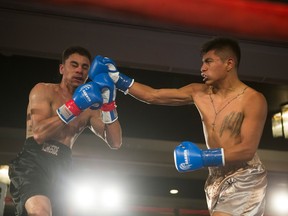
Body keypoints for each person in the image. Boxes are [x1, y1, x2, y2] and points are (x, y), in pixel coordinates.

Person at [89, 37, 268, 216]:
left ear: (229, 63)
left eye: (209, 61)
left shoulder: (252, 99)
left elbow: (247, 151)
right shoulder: (199, 92)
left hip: (245, 175)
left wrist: (202, 157)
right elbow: (153, 95)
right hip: (215, 178)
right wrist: (117, 78)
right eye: (202, 62)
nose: (202, 68)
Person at [8, 46, 122, 216]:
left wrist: (109, 104)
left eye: (85, 67)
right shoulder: (43, 90)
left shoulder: (91, 107)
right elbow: (39, 133)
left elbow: (115, 142)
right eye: (74, 65)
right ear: (62, 68)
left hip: (63, 166)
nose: (79, 70)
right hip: (33, 162)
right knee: (40, 212)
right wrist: (74, 107)